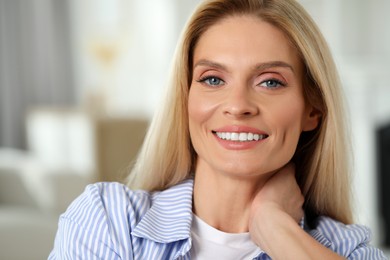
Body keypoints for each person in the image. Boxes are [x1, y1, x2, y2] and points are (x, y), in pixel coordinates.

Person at [49, 0, 387, 259]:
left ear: (313, 109)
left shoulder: (346, 249)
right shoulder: (108, 219)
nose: (238, 105)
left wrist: (277, 230)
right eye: (213, 79)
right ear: (185, 98)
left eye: (270, 81)